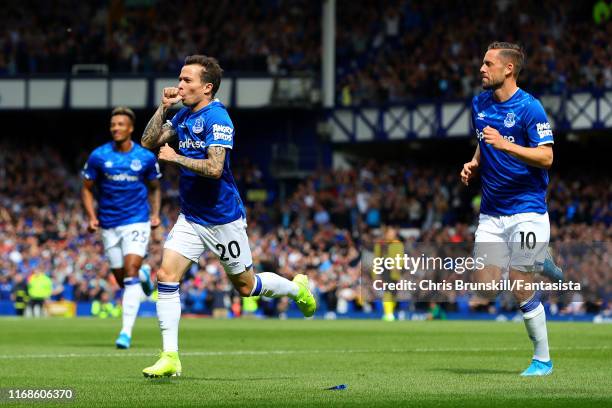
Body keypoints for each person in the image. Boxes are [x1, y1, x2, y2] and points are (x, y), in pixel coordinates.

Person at [140, 55, 316, 378]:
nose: (179, 85)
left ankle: (297, 289)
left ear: (206, 87)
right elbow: (148, 142)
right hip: (192, 217)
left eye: (186, 80)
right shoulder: (182, 116)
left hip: (223, 220)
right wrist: (163, 108)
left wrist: (177, 157)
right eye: (179, 78)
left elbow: (215, 168)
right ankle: (170, 356)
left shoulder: (218, 118)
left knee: (246, 287)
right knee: (165, 276)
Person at [460, 42, 557, 376]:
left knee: (519, 281)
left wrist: (507, 144)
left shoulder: (531, 108)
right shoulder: (479, 103)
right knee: (485, 287)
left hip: (527, 210)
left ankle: (542, 359)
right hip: (491, 213)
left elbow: (546, 156)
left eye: (488, 64)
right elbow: (483, 139)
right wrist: (474, 162)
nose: (482, 69)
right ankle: (537, 259)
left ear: (508, 69)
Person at [81, 107, 162, 349]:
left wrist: (156, 214)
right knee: (122, 279)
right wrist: (91, 216)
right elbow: (86, 187)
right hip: (109, 224)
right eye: (113, 124)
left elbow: (155, 187)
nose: (115, 127)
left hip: (137, 220)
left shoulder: (145, 157)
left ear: (130, 128)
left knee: (129, 273)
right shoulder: (99, 156)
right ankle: (145, 275)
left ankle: (125, 333)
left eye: (120, 124)